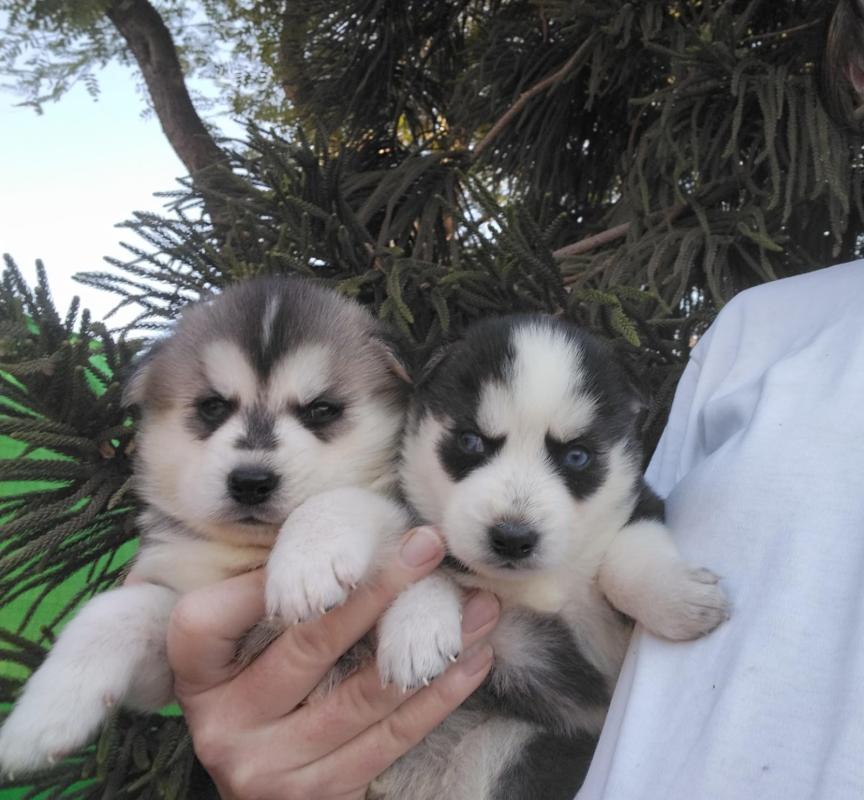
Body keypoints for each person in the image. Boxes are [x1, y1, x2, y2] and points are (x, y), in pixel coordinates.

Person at [172, 258, 864, 800]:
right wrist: (422, 593)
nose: (515, 515)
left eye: (575, 458)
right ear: (422, 414)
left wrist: (642, 577)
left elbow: (644, 525)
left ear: (625, 437)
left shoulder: (618, 517)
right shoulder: (755, 333)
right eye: (474, 445)